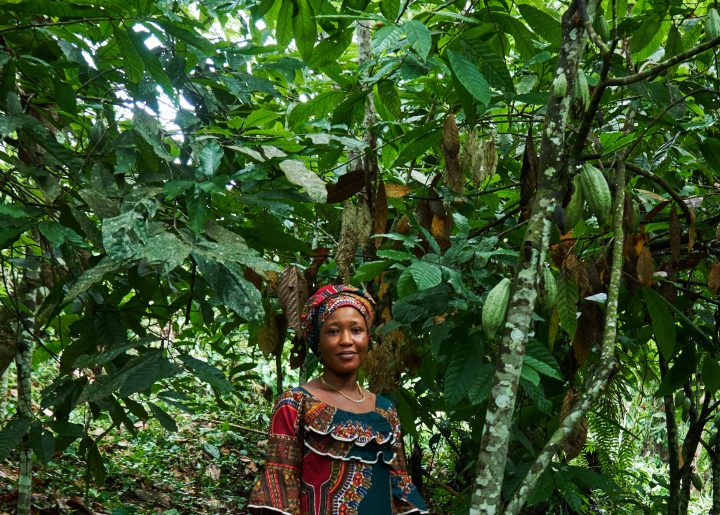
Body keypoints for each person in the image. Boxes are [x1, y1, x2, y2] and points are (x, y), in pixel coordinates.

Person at [248, 284, 428, 514]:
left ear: (368, 338)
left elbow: (400, 487)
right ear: (318, 341)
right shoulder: (295, 404)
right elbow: (281, 488)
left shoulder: (385, 410)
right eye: (333, 331)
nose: (346, 340)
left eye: (356, 330)